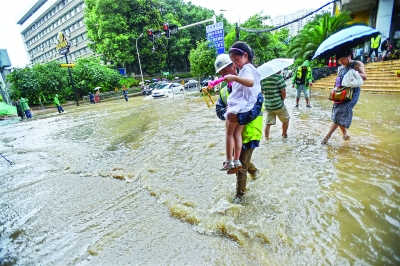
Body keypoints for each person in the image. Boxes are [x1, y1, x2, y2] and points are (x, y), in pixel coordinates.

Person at [214, 53, 264, 203]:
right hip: (236, 134)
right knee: (242, 161)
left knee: (240, 168)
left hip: (250, 133)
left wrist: (238, 117)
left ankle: (239, 197)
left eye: (225, 70)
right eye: (221, 72)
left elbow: (255, 110)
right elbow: (219, 110)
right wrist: (227, 114)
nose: (224, 74)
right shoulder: (224, 90)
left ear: (234, 65)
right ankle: (255, 172)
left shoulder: (252, 87)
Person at [223, 42, 262, 174]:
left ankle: (229, 161)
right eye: (233, 61)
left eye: (236, 60)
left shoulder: (247, 69)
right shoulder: (251, 70)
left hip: (241, 111)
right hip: (247, 112)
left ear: (245, 55)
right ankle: (236, 161)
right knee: (236, 134)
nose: (235, 64)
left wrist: (234, 78)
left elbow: (250, 83)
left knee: (229, 134)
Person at [321, 48, 367, 144]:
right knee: (337, 111)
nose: (341, 62)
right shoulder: (341, 68)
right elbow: (339, 80)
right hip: (340, 92)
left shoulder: (357, 64)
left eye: (343, 59)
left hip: (352, 93)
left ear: (349, 56)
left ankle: (327, 136)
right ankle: (346, 133)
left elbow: (364, 76)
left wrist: (354, 73)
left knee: (342, 110)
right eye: (339, 60)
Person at [261, 71, 290, 139]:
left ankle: (266, 138)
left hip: (268, 105)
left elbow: (262, 91)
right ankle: (284, 135)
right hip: (278, 104)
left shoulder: (263, 78)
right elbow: (283, 92)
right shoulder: (279, 77)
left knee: (268, 123)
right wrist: (282, 100)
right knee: (286, 120)